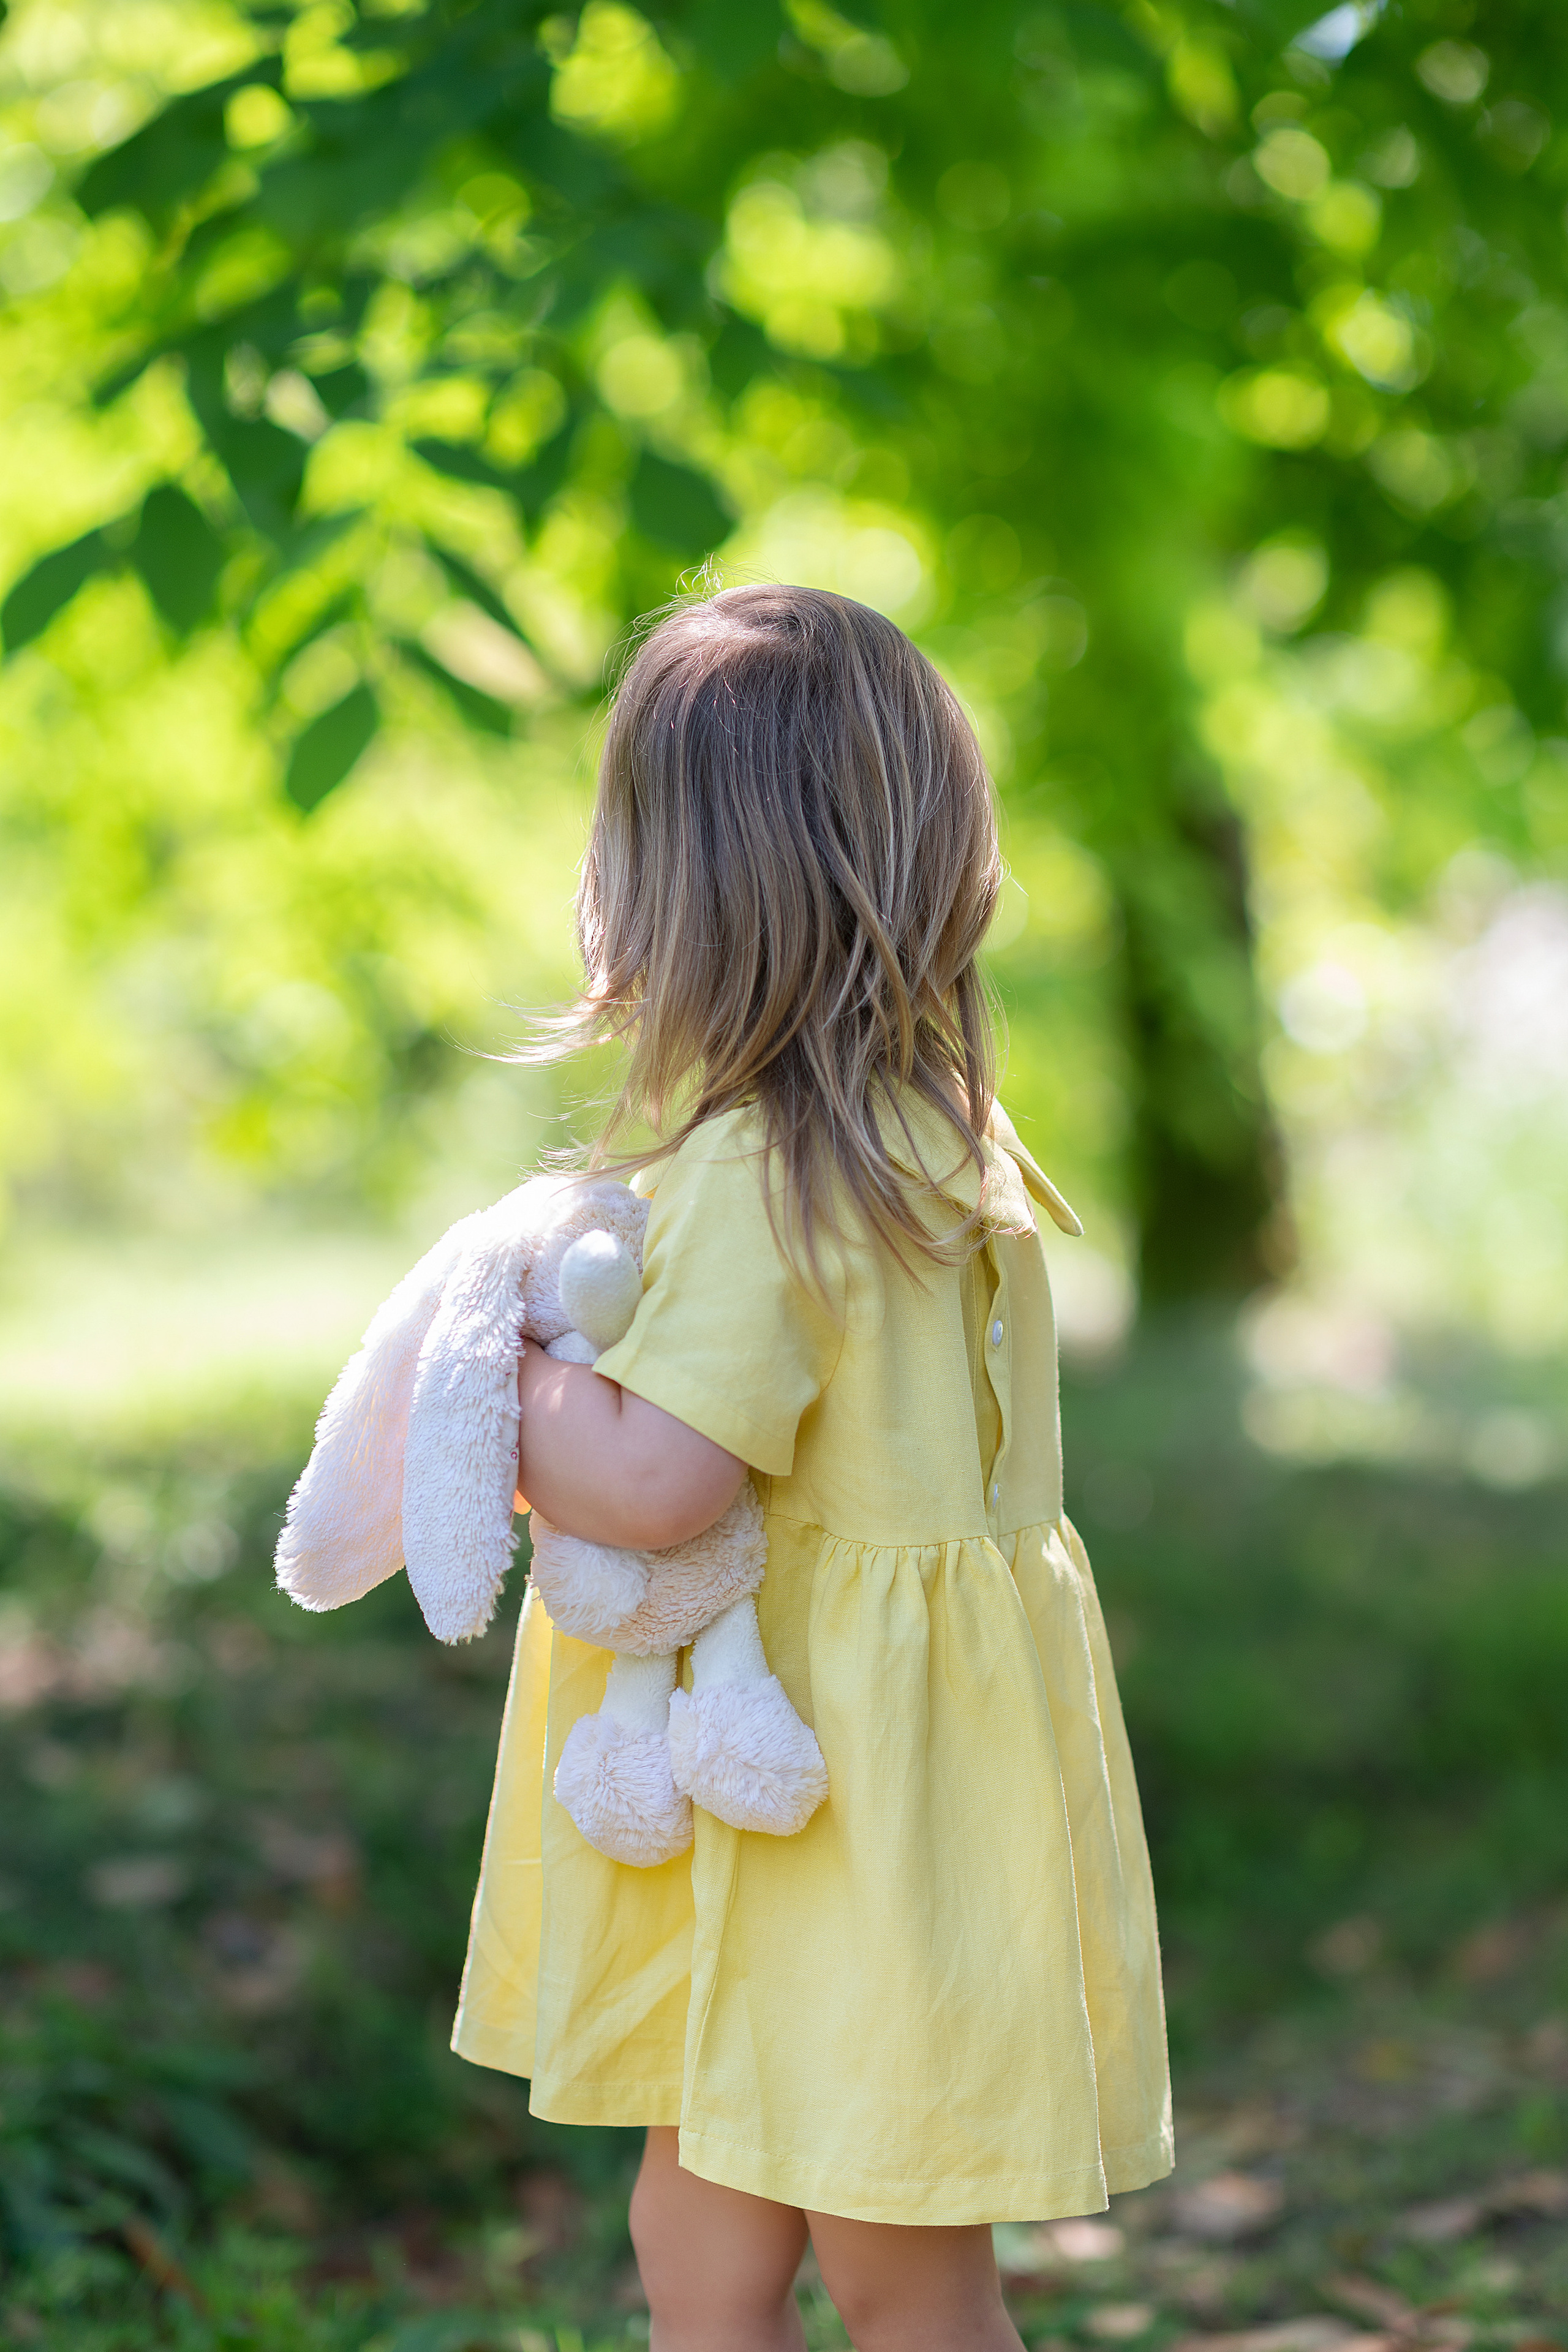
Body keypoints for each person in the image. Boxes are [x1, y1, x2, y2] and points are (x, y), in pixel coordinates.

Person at [451, 582, 1172, 2351]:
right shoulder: (933, 1135)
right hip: (861, 1770)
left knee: (884, 2256)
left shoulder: (760, 1184)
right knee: (725, 2211)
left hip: (828, 1785)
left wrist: (491, 1369)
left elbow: (653, 1487)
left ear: (673, 894)